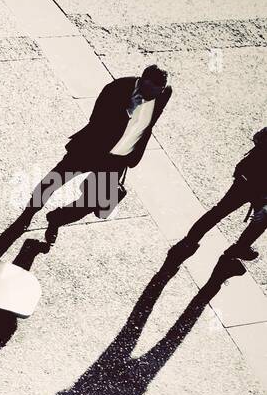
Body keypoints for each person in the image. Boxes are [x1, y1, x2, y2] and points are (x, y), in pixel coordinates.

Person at [22, 65, 173, 245]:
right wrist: (128, 111)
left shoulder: (163, 95)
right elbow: (96, 121)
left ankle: (56, 219)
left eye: (159, 91)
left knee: (90, 204)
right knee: (53, 181)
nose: (154, 96)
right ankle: (27, 214)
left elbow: (154, 115)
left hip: (117, 161)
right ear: (142, 82)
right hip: (91, 150)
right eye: (151, 90)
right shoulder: (116, 89)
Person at [170, 127, 267, 274]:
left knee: (219, 211)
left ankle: (190, 241)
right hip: (259, 188)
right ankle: (239, 248)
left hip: (246, 177)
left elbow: (258, 137)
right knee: (260, 219)